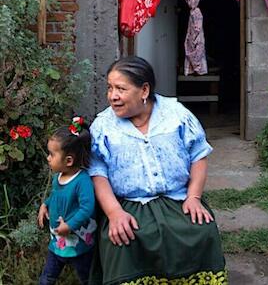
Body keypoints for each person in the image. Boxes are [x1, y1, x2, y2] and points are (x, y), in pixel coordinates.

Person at [88, 56, 226, 284]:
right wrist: (114, 214)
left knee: (202, 231)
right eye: (110, 88)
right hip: (128, 204)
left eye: (121, 89)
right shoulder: (103, 125)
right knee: (124, 240)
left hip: (177, 199)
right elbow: (97, 172)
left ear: (144, 90)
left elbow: (198, 155)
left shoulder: (176, 114)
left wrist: (194, 197)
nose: (113, 96)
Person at [37, 117, 97, 285]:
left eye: (52, 154)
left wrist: (70, 225)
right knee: (47, 277)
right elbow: (56, 194)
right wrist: (45, 204)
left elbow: (87, 208)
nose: (48, 158)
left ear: (69, 160)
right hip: (57, 241)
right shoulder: (59, 177)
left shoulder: (82, 181)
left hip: (79, 244)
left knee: (86, 277)